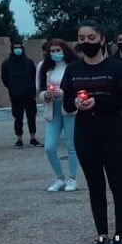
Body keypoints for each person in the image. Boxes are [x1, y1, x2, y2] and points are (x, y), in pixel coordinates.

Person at [61, 20, 122, 244]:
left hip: (112, 131)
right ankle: (101, 235)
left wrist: (99, 101)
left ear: (102, 39)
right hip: (85, 134)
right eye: (81, 38)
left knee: (117, 184)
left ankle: (120, 236)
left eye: (91, 38)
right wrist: (77, 103)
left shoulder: (116, 68)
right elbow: (67, 104)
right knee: (95, 186)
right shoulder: (73, 70)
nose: (86, 43)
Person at [37, 38, 79, 193]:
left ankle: (72, 178)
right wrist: (45, 95)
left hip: (68, 109)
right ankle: (60, 177)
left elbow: (78, 88)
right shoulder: (46, 68)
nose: (55, 53)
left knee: (71, 145)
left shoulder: (73, 67)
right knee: (49, 146)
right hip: (52, 108)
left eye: (58, 50)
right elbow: (40, 90)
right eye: (52, 51)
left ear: (64, 50)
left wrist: (64, 93)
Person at [1, 40, 40, 147]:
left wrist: (31, 88)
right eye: (15, 48)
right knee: (18, 118)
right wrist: (12, 87)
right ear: (12, 49)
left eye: (19, 47)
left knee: (31, 117)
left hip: (29, 94)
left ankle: (33, 138)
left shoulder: (29, 62)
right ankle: (19, 139)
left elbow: (34, 76)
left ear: (22, 49)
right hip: (15, 95)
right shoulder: (6, 63)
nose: (17, 50)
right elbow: (4, 78)